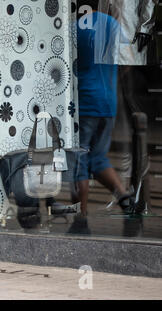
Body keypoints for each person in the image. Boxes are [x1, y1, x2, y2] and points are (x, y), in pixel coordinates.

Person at [70, 0, 134, 233]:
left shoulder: (75, 27)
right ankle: (125, 198)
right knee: (97, 157)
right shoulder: (113, 25)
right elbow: (126, 62)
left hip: (85, 102)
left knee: (79, 162)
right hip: (108, 103)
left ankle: (81, 220)